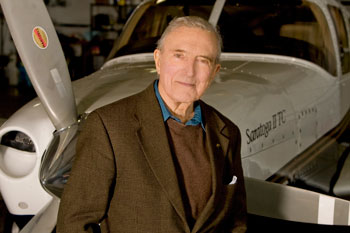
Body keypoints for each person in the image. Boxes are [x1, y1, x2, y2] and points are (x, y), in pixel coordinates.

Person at [57, 16, 247, 233]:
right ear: (158, 60)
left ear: (214, 72)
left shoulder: (227, 132)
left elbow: (236, 222)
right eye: (179, 56)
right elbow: (74, 224)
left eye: (203, 60)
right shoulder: (108, 126)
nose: (189, 71)